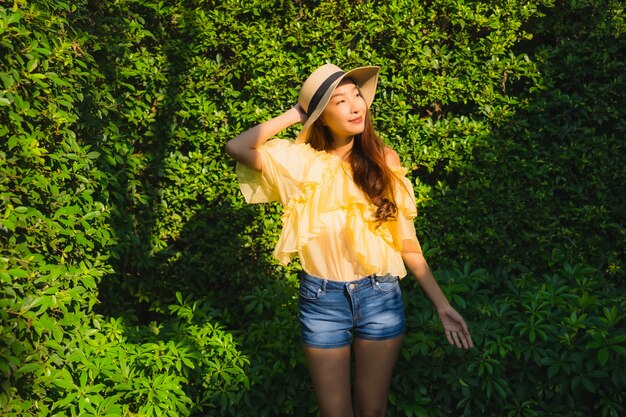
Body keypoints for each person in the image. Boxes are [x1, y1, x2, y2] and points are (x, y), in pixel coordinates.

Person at [225, 63, 473, 417]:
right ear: (321, 116)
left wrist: (442, 305)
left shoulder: (384, 160)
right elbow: (237, 146)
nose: (356, 106)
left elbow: (406, 242)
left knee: (372, 410)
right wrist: (297, 113)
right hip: (322, 300)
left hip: (380, 296)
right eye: (339, 101)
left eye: (357, 95)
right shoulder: (301, 164)